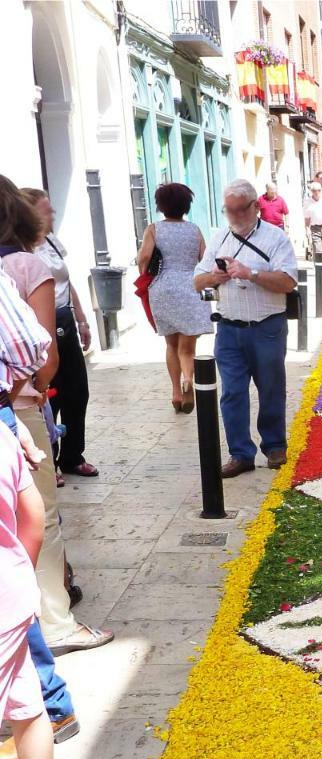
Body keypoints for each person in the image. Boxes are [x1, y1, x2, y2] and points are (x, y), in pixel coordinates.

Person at [0, 178, 112, 655]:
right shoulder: (26, 265)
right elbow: (45, 358)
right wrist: (37, 391)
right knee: (37, 518)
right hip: (18, 412)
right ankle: (55, 623)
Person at [194, 179, 298, 479]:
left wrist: (251, 274)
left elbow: (288, 281)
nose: (236, 216)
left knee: (271, 389)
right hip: (228, 329)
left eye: (241, 209)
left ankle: (275, 445)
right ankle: (240, 454)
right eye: (230, 210)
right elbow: (197, 281)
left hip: (267, 327)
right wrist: (215, 277)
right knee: (232, 393)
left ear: (255, 206)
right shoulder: (219, 238)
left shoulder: (275, 238)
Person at [0, 424, 67, 759]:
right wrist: (18, 573)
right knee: (26, 705)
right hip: (12, 593)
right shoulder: (4, 435)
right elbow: (33, 517)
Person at [23, 189, 97, 479]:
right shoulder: (23, 249)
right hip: (42, 321)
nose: (52, 214)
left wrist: (82, 319)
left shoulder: (52, 241)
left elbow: (68, 281)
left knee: (77, 391)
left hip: (64, 317)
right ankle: (49, 460)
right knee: (48, 392)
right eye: (46, 210)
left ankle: (73, 455)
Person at [136, 183, 212, 413]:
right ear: (186, 205)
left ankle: (176, 393)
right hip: (191, 285)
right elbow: (204, 259)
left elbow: (145, 257)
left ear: (161, 206)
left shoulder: (154, 229)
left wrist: (144, 272)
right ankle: (188, 379)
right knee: (187, 348)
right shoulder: (195, 230)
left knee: (171, 344)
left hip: (163, 287)